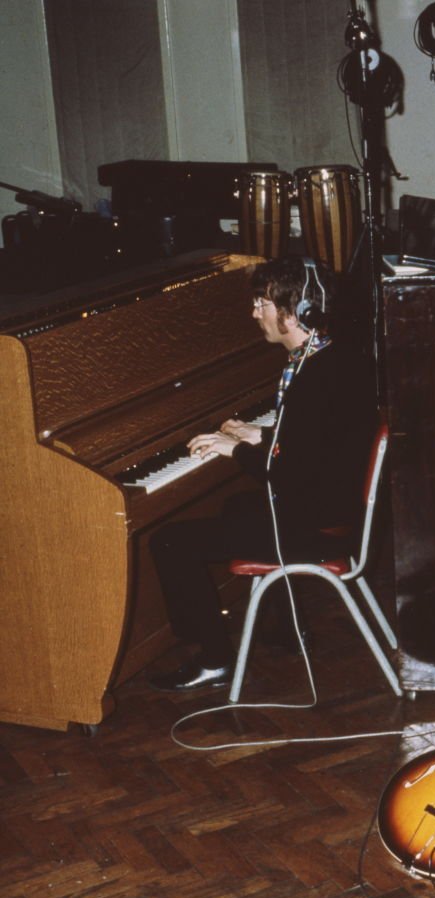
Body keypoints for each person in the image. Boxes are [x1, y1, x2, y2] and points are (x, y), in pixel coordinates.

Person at [148, 256, 378, 691]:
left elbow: (290, 474)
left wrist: (237, 449)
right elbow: (317, 441)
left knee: (170, 541)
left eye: (262, 303)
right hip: (333, 510)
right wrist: (261, 432)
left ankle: (214, 660)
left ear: (297, 311)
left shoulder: (316, 375)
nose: (255, 314)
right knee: (238, 504)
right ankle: (289, 627)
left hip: (320, 527)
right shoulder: (330, 358)